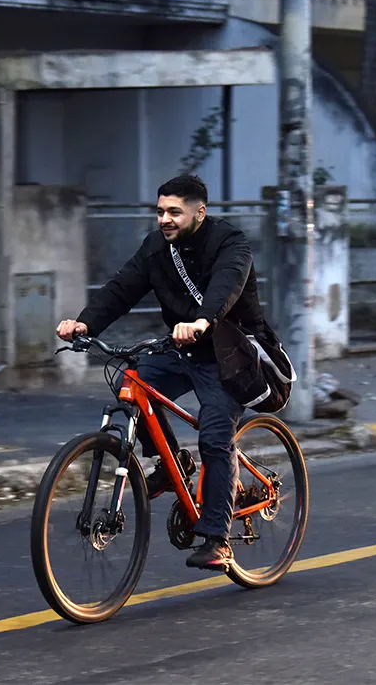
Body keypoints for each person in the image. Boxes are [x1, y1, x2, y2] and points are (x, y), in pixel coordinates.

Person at [56, 174, 264, 572]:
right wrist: (85, 325)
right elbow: (122, 288)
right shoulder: (156, 248)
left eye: (174, 212)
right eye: (160, 212)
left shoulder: (229, 242)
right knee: (131, 383)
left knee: (216, 433)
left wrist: (202, 321)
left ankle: (218, 538)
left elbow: (227, 286)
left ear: (199, 212)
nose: (165, 219)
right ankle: (174, 466)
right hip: (181, 347)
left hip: (228, 352)